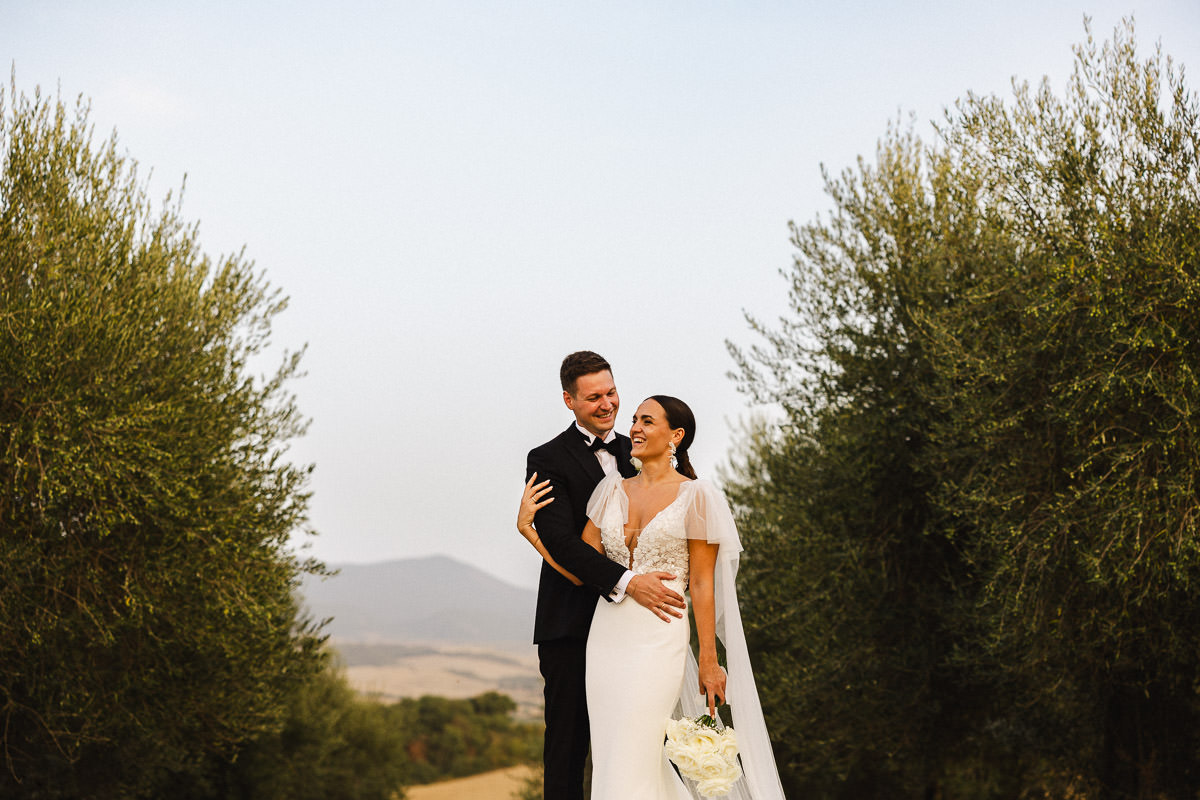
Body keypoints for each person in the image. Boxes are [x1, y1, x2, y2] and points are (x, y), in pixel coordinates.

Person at [519, 395, 787, 800]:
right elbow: (582, 571)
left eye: (647, 421)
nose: (636, 428)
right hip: (606, 636)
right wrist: (531, 534)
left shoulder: (698, 497)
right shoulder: (611, 490)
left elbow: (701, 584)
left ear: (675, 435)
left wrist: (710, 661)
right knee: (613, 754)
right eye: (636, 420)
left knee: (637, 747)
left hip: (659, 636)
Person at [522, 352, 688, 800]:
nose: (607, 404)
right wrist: (630, 582)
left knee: (638, 744)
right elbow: (563, 541)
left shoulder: (635, 446)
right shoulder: (547, 458)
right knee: (567, 745)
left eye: (611, 392)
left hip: (639, 632)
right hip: (571, 624)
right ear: (569, 400)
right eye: (593, 397)